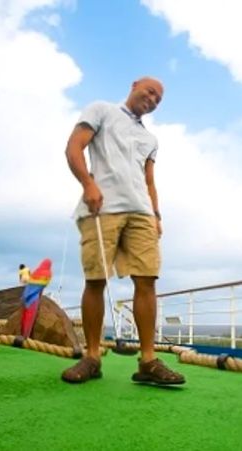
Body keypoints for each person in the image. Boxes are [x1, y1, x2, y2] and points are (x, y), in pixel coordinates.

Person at [61, 76, 185, 386]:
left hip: (142, 212)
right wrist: (88, 184)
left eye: (159, 99)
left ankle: (148, 361)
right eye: (151, 91)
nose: (154, 99)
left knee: (147, 281)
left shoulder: (150, 139)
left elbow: (150, 181)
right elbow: (73, 148)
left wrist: (156, 215)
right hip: (102, 207)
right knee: (95, 280)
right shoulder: (101, 110)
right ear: (133, 85)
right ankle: (91, 356)